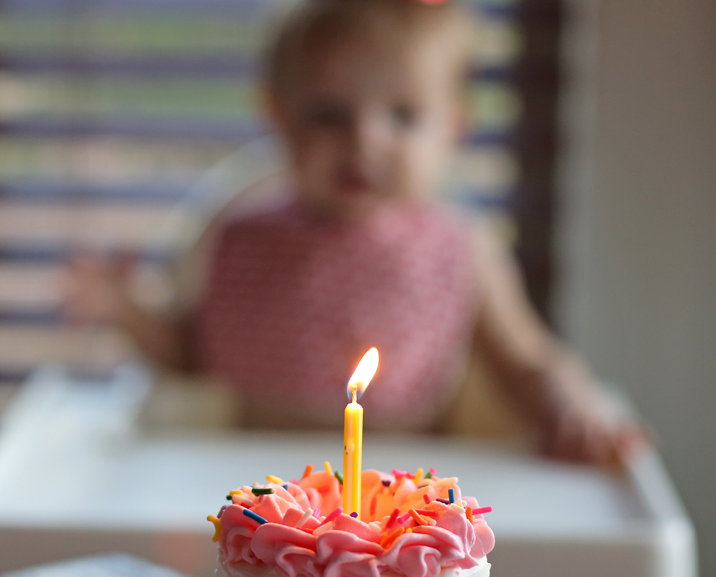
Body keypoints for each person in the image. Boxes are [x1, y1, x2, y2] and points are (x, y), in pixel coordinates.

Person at [65, 0, 644, 464]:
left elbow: (526, 361)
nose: (364, 141)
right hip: (250, 481)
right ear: (278, 116)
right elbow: (191, 355)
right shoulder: (239, 237)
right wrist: (129, 311)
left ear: (454, 127)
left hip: (400, 489)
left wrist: (573, 410)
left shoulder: (461, 247)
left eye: (403, 115)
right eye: (327, 115)